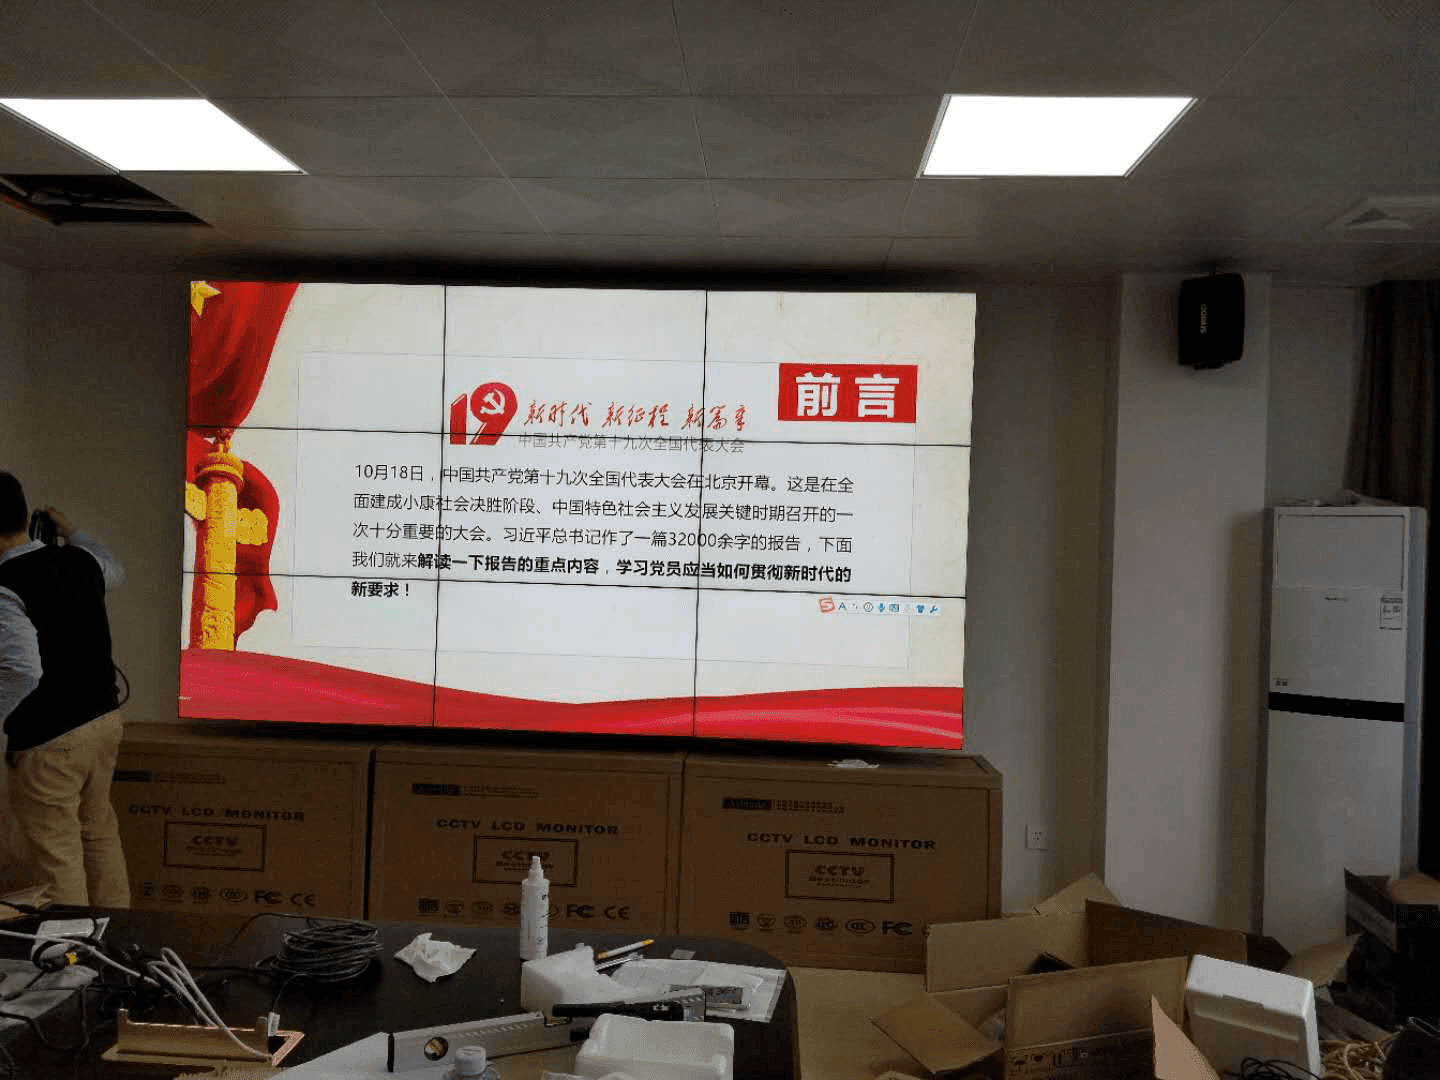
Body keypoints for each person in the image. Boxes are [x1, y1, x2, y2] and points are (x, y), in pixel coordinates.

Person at [0, 471, 129, 907]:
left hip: (51, 738)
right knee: (98, 832)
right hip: (104, 721)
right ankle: (118, 935)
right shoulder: (81, 561)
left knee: (59, 855)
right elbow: (114, 568)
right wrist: (72, 531)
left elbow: (22, 671)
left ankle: (69, 946)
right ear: (25, 514)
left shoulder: (6, 586)